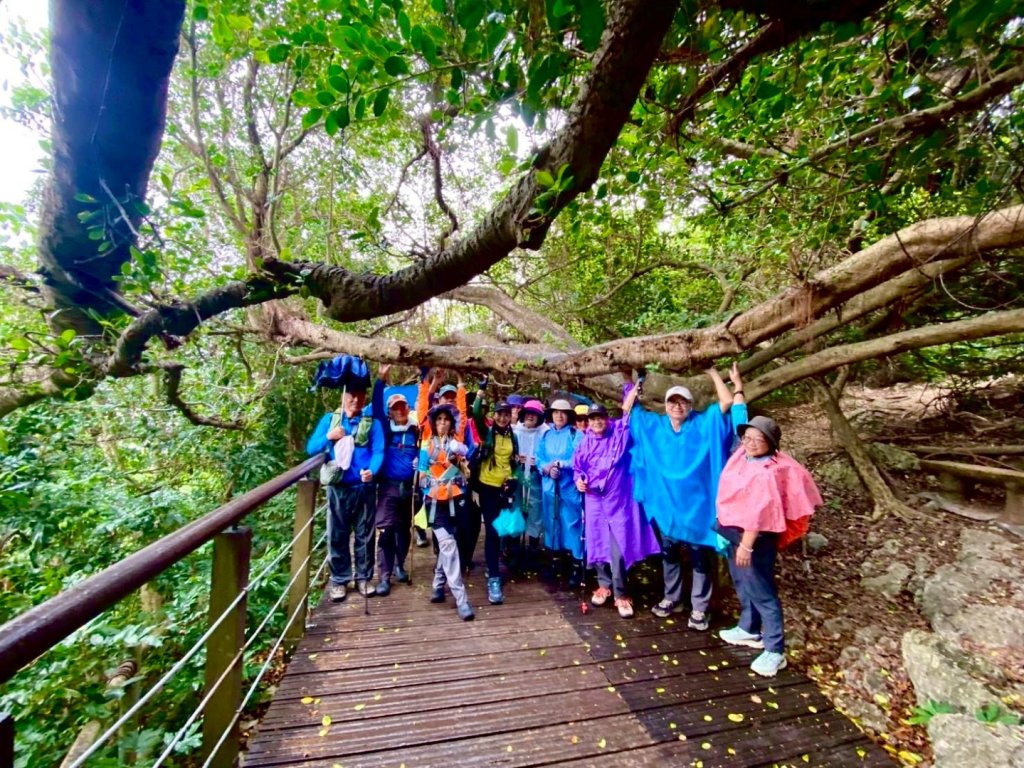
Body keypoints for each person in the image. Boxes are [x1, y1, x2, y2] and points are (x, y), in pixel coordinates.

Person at [630, 364, 747, 629]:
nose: (677, 406)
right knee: (669, 554)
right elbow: (631, 413)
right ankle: (672, 597)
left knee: (698, 557)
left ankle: (699, 607)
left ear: (691, 405)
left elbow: (727, 402)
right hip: (667, 506)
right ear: (666, 405)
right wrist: (636, 382)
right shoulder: (656, 426)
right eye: (673, 402)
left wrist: (715, 374)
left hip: (697, 507)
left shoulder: (703, 423)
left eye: (683, 402)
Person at [716, 415, 822, 675]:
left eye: (758, 439)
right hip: (733, 528)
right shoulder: (743, 455)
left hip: (754, 537)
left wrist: (747, 545)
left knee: (760, 588)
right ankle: (749, 628)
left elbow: (760, 511)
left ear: (771, 443)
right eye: (747, 437)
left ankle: (775, 650)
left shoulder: (771, 470)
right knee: (742, 581)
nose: (750, 443)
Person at [574, 390, 661, 618]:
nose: (596, 422)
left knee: (618, 549)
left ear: (606, 418)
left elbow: (628, 412)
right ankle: (604, 586)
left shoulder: (618, 435)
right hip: (594, 502)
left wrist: (631, 388)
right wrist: (579, 481)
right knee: (596, 545)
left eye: (600, 417)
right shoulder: (584, 443)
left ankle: (621, 593)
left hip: (618, 502)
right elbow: (578, 469)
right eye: (592, 419)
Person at [306, 383, 384, 602]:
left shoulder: (372, 424)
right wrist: (329, 437)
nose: (356, 400)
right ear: (343, 396)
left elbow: (378, 451)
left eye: (360, 395)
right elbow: (311, 448)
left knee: (365, 535)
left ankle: (363, 578)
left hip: (364, 487)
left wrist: (373, 471)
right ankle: (339, 580)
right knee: (337, 534)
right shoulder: (331, 420)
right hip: (338, 488)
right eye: (352, 394)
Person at [418, 404, 475, 620]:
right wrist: (426, 478)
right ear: (434, 422)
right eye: (439, 419)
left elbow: (466, 463)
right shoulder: (426, 446)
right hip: (434, 501)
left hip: (456, 499)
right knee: (449, 545)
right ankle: (461, 599)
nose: (442, 423)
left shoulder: (456, 445)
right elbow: (421, 473)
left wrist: (456, 459)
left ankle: (438, 583)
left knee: (450, 541)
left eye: (446, 419)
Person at [370, 364, 419, 597]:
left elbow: (425, 451)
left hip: (409, 489)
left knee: (404, 530)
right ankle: (384, 577)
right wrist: (381, 379)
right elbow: (377, 408)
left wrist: (421, 459)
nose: (400, 411)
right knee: (387, 530)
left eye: (402, 407)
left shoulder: (416, 431)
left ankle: (400, 564)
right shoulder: (384, 430)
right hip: (388, 487)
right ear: (390, 411)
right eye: (395, 408)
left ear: (407, 409)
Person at [471, 389, 520, 605]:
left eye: (506, 414)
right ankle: (493, 577)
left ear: (511, 417)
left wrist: (515, 477)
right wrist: (480, 394)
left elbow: (515, 463)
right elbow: (476, 415)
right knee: (492, 531)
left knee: (504, 530)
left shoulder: (513, 436)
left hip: (506, 488)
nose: (502, 417)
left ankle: (493, 566)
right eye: (499, 414)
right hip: (488, 488)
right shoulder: (487, 432)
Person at [537, 398, 585, 586]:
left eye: (563, 412)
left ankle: (575, 565)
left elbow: (580, 459)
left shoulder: (576, 435)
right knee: (551, 523)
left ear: (569, 415)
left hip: (569, 488)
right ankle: (554, 562)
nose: (559, 415)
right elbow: (539, 459)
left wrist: (561, 464)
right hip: (549, 487)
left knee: (571, 524)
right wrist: (547, 468)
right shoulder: (545, 436)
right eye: (555, 412)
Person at [514, 399, 548, 564]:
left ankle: (533, 548)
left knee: (535, 510)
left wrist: (540, 461)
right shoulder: (515, 432)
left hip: (536, 479)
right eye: (528, 413)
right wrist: (515, 458)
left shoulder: (545, 432)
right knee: (517, 508)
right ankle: (513, 548)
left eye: (534, 414)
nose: (530, 417)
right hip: (518, 477)